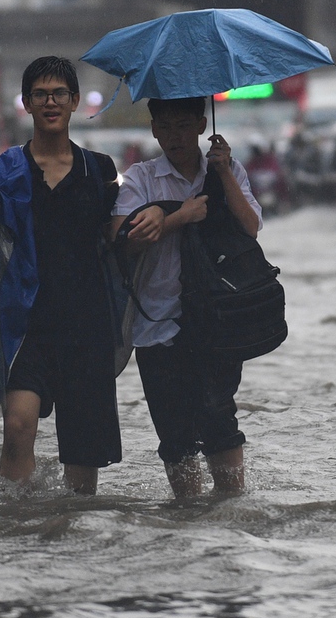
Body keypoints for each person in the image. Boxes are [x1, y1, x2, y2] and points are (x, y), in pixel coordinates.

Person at [0, 57, 128, 493]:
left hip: (86, 324)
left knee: (83, 457)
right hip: (26, 327)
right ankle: (16, 530)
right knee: (18, 428)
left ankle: (75, 536)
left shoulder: (99, 170)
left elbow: (118, 237)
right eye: (40, 94)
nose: (51, 102)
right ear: (26, 103)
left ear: (75, 101)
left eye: (60, 93)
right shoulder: (1, 177)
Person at [113, 97, 264, 501]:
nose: (176, 135)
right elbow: (124, 239)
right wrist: (180, 215)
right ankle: (187, 512)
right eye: (167, 126)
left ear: (201, 124)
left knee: (219, 416)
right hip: (157, 323)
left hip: (218, 318)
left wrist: (224, 173)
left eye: (185, 125)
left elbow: (250, 227)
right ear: (154, 130)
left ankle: (232, 506)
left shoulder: (227, 171)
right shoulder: (141, 179)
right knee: (174, 432)